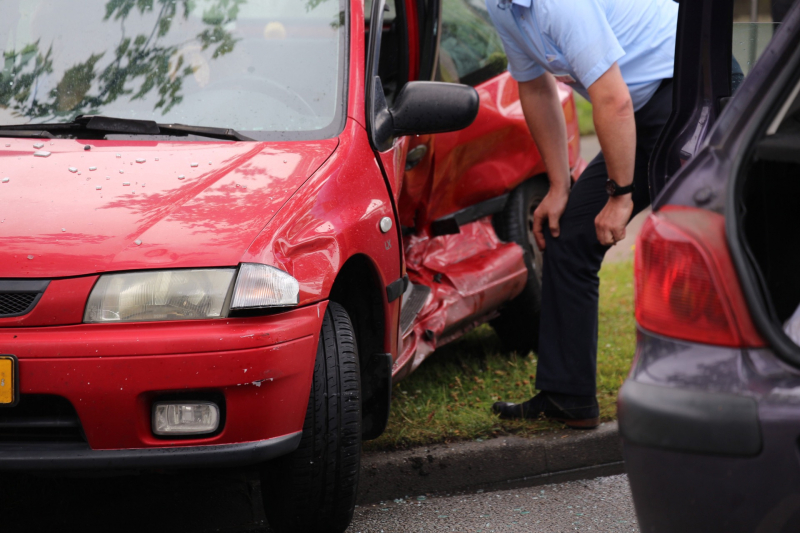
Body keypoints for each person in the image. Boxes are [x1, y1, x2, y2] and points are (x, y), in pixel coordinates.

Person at [487, 0, 678, 428]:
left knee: (704, 236)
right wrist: (559, 186)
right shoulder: (502, 7)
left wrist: (620, 196)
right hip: (632, 107)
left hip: (687, 94)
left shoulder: (559, 4)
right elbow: (535, 88)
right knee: (569, 233)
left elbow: (612, 100)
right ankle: (567, 395)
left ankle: (727, 384)